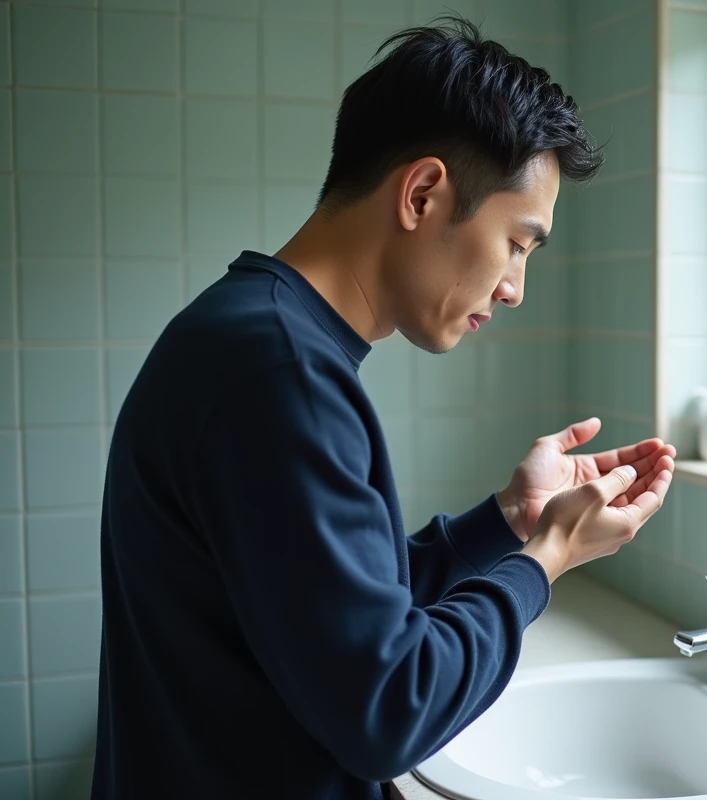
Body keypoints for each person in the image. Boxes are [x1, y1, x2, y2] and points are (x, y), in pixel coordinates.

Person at [90, 17, 675, 800]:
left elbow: (333, 610)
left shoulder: (252, 337)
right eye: (517, 244)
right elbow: (390, 707)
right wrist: (549, 557)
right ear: (423, 193)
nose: (514, 288)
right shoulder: (281, 375)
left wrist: (512, 519)